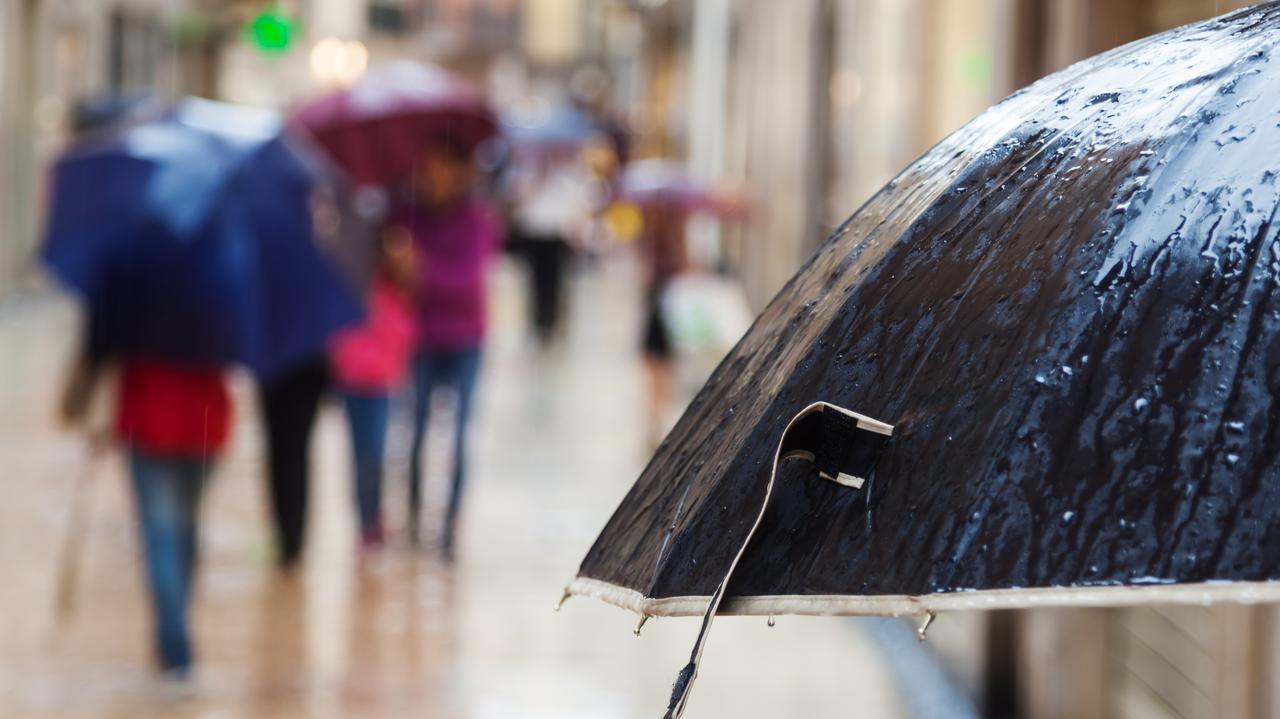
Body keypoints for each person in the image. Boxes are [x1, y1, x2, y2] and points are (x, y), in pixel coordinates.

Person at [61, 343, 231, 677]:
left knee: (160, 533)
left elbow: (100, 350)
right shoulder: (223, 297)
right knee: (185, 527)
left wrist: (88, 407)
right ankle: (177, 626)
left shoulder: (135, 296)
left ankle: (174, 641)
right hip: (205, 422)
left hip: (148, 418)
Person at [396, 135, 501, 555]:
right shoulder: (407, 217)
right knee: (414, 431)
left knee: (458, 435)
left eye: (441, 167)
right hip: (419, 338)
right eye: (427, 167)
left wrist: (420, 271)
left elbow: (467, 285)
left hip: (465, 340)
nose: (433, 177)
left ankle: (449, 528)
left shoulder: (478, 220)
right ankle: (412, 518)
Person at [328, 229, 418, 555]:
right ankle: (364, 523)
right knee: (360, 456)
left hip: (382, 384)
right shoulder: (352, 284)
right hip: (353, 383)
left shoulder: (399, 285)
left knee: (376, 455)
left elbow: (405, 332)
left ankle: (375, 518)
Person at [258, 356, 327, 569]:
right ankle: (292, 536)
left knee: (283, 456)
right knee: (294, 457)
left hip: (286, 376)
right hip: (297, 376)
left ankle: (289, 536)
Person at [638, 203, 689, 447]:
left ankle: (654, 421)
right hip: (668, 312)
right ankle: (659, 420)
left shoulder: (648, 238)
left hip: (656, 310)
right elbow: (683, 268)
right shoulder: (674, 238)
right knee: (664, 370)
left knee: (653, 369)